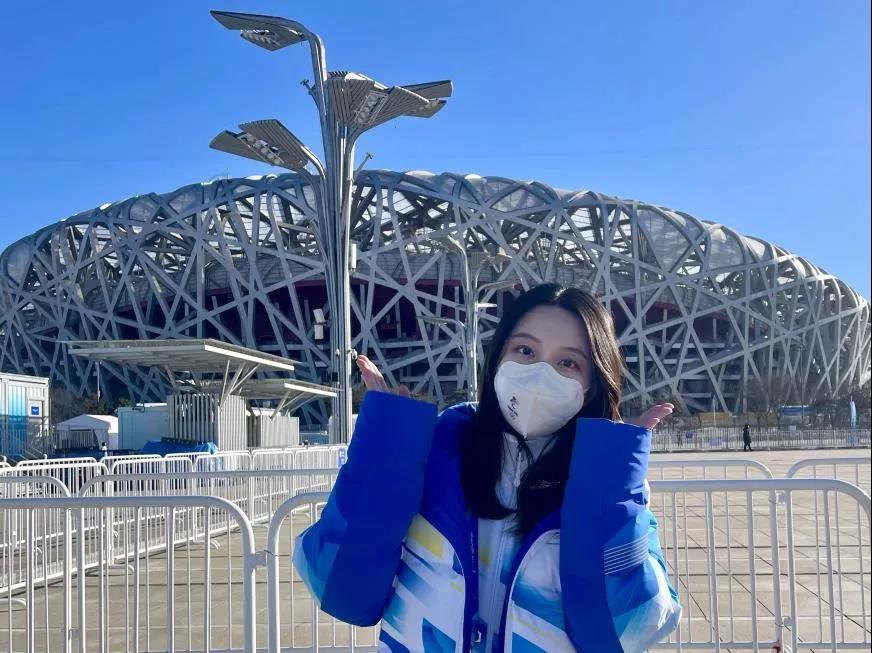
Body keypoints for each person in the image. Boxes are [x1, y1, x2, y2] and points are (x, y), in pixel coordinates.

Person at [294, 283, 681, 652]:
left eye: (567, 362)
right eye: (525, 351)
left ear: (593, 383)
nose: (540, 375)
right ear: (497, 360)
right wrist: (383, 449)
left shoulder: (607, 483)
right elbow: (340, 589)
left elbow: (629, 629)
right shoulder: (432, 456)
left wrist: (612, 479)